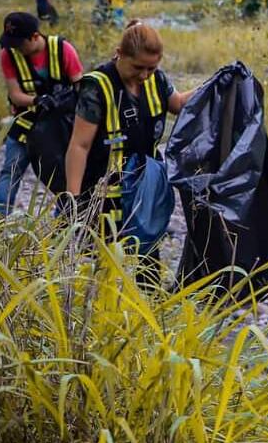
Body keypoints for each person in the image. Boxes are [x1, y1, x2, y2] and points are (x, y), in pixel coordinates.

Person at [64, 21, 195, 284]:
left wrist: (217, 83)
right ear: (119, 54)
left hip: (145, 189)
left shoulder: (157, 80)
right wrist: (73, 200)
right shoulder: (97, 87)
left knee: (148, 258)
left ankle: (148, 303)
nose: (144, 75)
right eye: (137, 67)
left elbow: (179, 103)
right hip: (105, 191)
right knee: (105, 266)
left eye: (151, 68)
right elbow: (79, 145)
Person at [0, 12, 83, 215]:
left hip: (59, 127)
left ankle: (64, 220)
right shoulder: (8, 54)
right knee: (11, 169)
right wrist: (37, 100)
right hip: (25, 123)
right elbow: (15, 95)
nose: (15, 48)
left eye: (19, 43)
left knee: (63, 173)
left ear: (35, 36)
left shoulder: (63, 50)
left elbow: (80, 87)